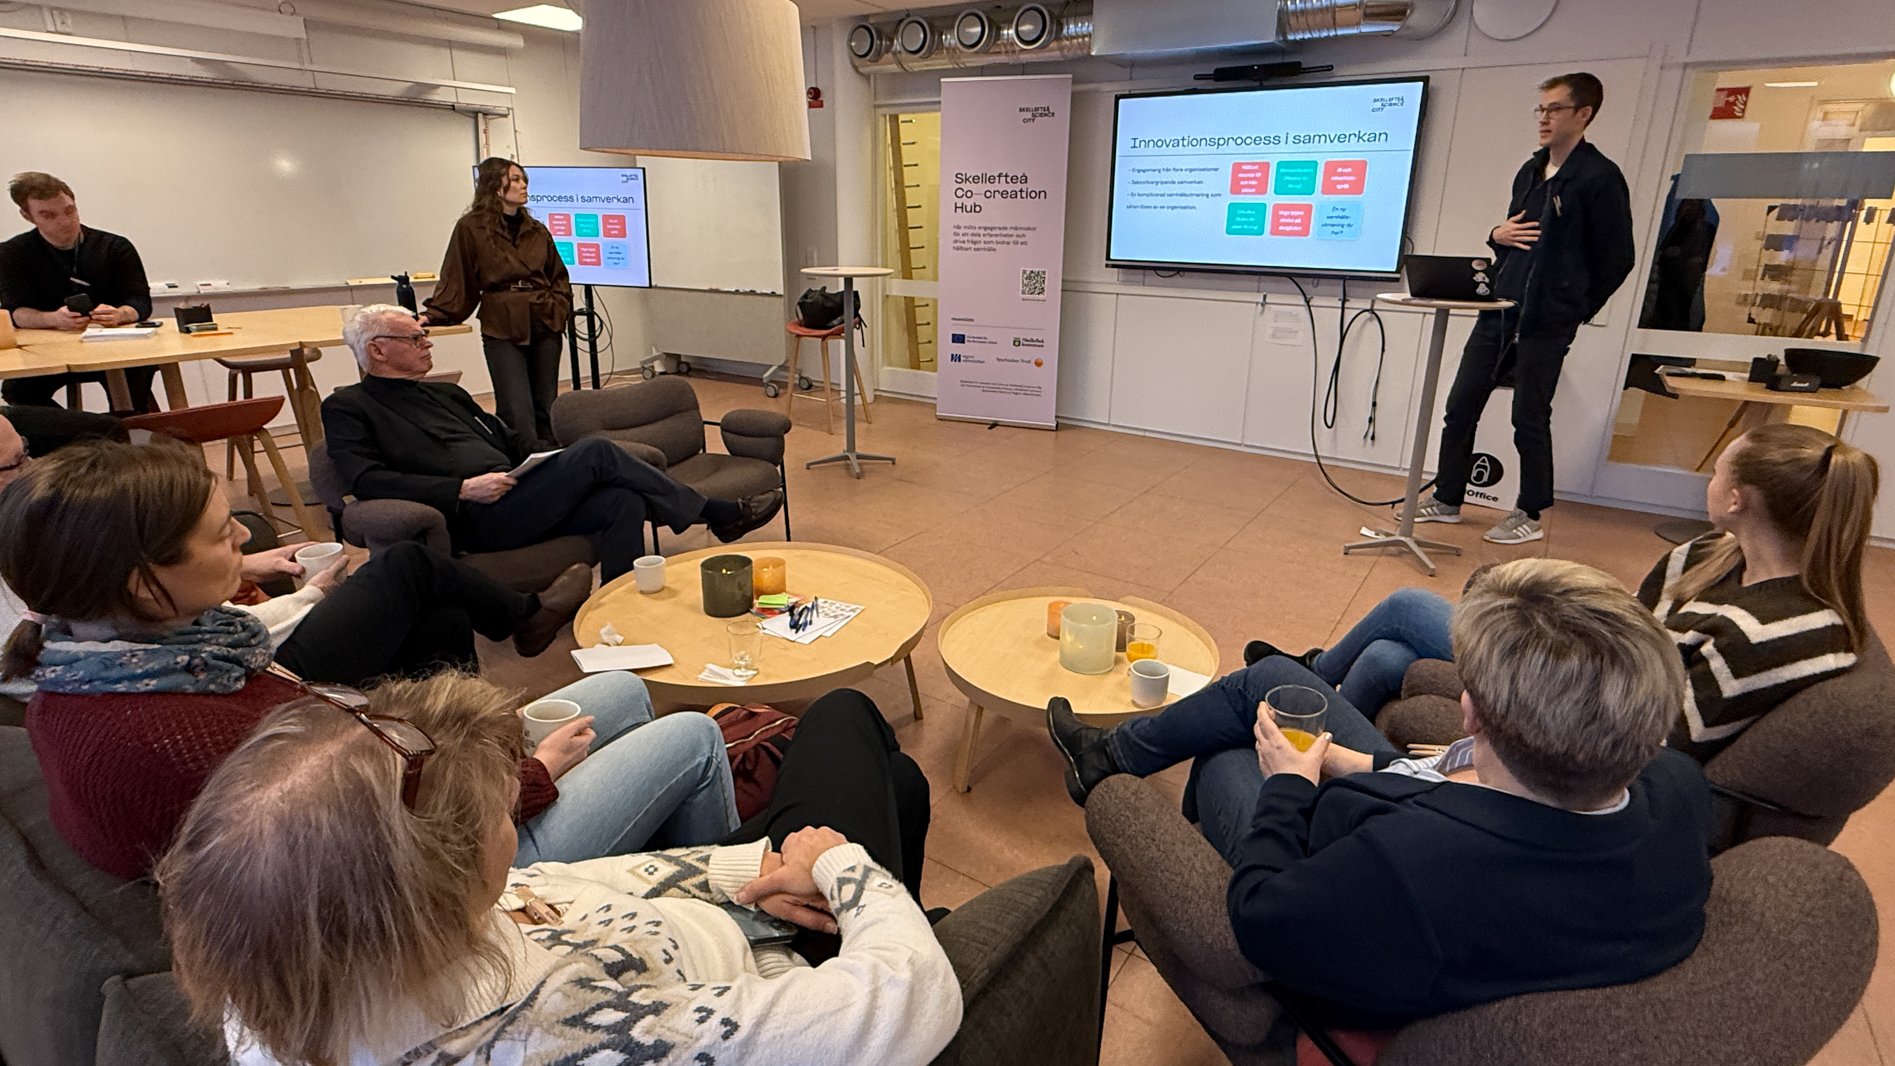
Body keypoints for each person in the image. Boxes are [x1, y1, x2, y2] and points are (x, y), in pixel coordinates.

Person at [0, 436, 736, 878]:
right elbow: (388, 843)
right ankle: (698, 899)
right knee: (693, 734)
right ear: (142, 583)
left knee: (622, 691)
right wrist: (531, 775)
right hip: (442, 879)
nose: (245, 541)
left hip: (396, 796)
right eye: (223, 534)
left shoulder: (131, 664)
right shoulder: (191, 735)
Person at [158, 674, 957, 1066]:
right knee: (845, 715)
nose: (515, 818)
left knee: (895, 783)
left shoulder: (295, 966)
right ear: (438, 880)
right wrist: (842, 870)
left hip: (734, 905)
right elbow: (913, 997)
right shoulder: (576, 1037)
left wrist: (745, 873)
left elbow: (552, 893)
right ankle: (904, 910)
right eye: (502, 814)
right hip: (768, 969)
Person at [1048, 559, 1712, 1028]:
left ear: (1470, 715)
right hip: (1415, 806)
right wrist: (1351, 761)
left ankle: (1113, 768)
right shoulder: (1678, 788)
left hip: (1335, 887)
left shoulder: (1404, 867)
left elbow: (1260, 919)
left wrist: (1289, 787)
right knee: (1271, 682)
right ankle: (1114, 751)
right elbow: (1457, 800)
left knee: (1231, 745)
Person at [1250, 425, 1878, 761]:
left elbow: (1661, 741)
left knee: (1406, 606)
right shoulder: (1712, 554)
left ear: (1737, 500)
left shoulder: (1768, 635)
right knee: (1386, 656)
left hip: (1586, 708)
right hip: (1596, 675)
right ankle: (1316, 746)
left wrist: (1498, 743)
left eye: (1717, 473)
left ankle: (1310, 679)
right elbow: (1627, 627)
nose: (1708, 482)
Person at [323, 304, 782, 581]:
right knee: (597, 450)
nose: (427, 344)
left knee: (621, 499)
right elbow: (366, 479)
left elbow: (510, 440)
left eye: (425, 336)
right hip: (472, 514)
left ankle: (620, 604)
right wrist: (461, 489)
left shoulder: (448, 393)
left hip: (518, 493)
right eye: (415, 338)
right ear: (377, 349)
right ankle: (714, 513)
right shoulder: (350, 406)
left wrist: (548, 460)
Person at [1405, 74, 1636, 545]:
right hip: (1500, 310)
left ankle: (1529, 512)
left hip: (1547, 322)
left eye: (1555, 109)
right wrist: (1496, 236)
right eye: (1541, 109)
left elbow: (1619, 259)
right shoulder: (1530, 172)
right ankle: (1448, 498)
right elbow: (1515, 238)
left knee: (1529, 417)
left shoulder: (1599, 178)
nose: (1544, 118)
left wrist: (1572, 307)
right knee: (1459, 406)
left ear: (1584, 114)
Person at [419, 158, 572, 449]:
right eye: (514, 179)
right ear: (494, 185)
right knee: (516, 407)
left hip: (544, 316)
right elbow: (458, 276)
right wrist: (434, 314)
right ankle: (522, 462)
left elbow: (558, 276)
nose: (523, 185)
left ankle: (553, 461)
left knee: (546, 404)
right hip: (501, 322)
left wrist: (559, 308)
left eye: (523, 179)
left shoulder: (537, 229)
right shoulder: (471, 228)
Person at [0, 172, 159, 412]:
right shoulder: (12, 253)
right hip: (48, 351)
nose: (65, 221)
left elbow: (140, 301)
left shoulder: (115, 247)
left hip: (114, 347)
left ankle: (121, 428)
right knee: (18, 390)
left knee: (134, 383)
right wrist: (53, 319)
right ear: (28, 216)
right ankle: (79, 431)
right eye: (48, 215)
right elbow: (15, 312)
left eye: (69, 210)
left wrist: (121, 314)